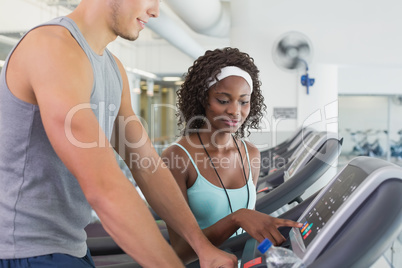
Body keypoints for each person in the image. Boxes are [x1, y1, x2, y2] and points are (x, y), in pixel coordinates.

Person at [0, 0, 238, 267]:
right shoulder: (52, 47)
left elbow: (146, 165)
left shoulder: (114, 70)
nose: (156, 11)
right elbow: (103, 186)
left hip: (72, 245)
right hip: (23, 251)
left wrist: (201, 245)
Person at [162, 47, 303, 264]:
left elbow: (248, 233)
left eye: (243, 101)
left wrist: (274, 250)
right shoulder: (177, 158)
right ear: (203, 99)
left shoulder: (251, 154)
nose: (235, 111)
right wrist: (237, 218)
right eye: (223, 100)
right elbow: (181, 251)